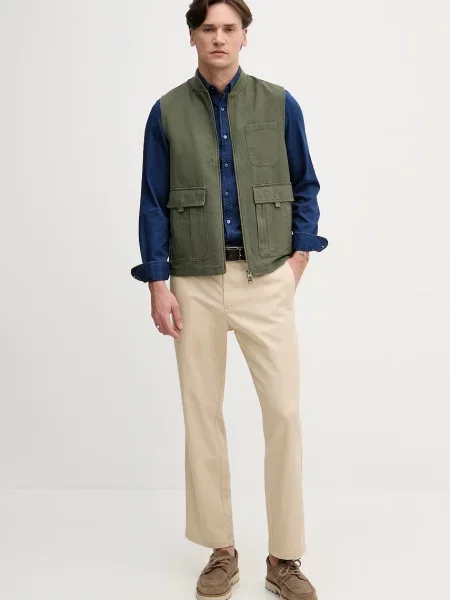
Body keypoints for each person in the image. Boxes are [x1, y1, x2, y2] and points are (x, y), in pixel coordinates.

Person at [131, 1, 328, 598]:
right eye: (208, 28)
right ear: (193, 37)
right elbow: (153, 202)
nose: (218, 38)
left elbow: (306, 184)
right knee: (202, 414)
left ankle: (284, 557)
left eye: (229, 28)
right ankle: (221, 549)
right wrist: (159, 283)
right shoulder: (166, 111)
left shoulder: (279, 103)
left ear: (244, 37)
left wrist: (298, 258)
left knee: (284, 414)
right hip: (193, 281)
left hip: (265, 275)